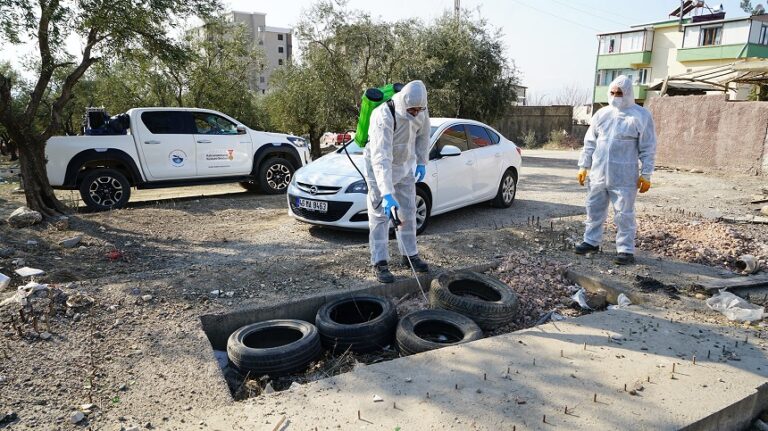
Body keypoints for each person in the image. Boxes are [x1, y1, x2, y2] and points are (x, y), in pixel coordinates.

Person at [575, 75, 657, 265]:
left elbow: (648, 147)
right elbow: (589, 142)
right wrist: (583, 166)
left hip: (624, 177)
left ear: (628, 93)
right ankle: (591, 241)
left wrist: (646, 174)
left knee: (624, 214)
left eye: (619, 93)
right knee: (594, 209)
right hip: (598, 174)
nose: (615, 96)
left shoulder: (641, 116)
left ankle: (625, 250)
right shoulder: (601, 114)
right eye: (612, 92)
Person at [364, 80, 430, 283]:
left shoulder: (421, 111)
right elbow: (380, 157)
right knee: (380, 216)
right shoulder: (383, 115)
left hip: (405, 166)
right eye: (413, 109)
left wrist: (422, 161)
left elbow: (423, 137)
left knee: (408, 212)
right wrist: (386, 193)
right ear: (404, 103)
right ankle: (380, 262)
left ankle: (409, 255)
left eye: (420, 109)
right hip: (379, 169)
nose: (416, 113)